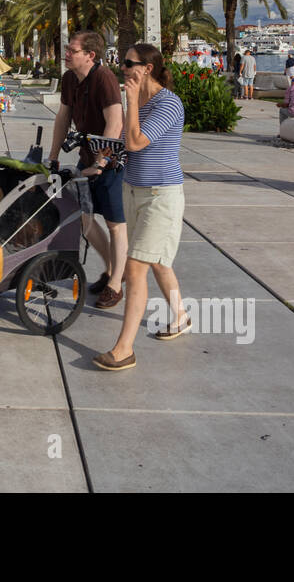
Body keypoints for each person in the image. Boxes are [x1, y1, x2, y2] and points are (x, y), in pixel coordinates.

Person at [93, 43, 189, 372]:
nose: (122, 67)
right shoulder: (143, 103)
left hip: (161, 196)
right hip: (133, 190)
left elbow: (137, 140)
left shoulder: (168, 104)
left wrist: (130, 102)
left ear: (147, 68)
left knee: (135, 269)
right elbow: (129, 145)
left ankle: (124, 350)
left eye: (129, 63)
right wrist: (109, 153)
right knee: (158, 261)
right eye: (121, 61)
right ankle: (180, 316)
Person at [47, 31, 127, 309]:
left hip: (112, 161)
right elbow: (63, 117)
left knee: (115, 224)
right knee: (86, 219)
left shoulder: (104, 78)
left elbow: (114, 123)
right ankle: (111, 269)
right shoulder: (70, 79)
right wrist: (53, 156)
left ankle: (116, 284)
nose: (66, 53)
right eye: (67, 49)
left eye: (72, 50)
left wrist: (101, 162)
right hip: (87, 157)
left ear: (90, 55)